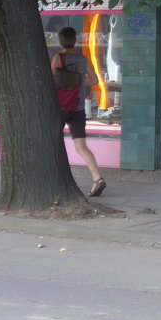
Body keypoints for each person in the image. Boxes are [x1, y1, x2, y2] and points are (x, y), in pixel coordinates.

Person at [52, 26, 106, 197]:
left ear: (60, 41)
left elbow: (50, 80)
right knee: (82, 147)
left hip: (60, 107)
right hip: (78, 108)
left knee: (54, 144)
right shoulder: (83, 59)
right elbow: (94, 80)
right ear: (75, 40)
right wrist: (78, 81)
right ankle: (97, 178)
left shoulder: (59, 58)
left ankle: (56, 181)